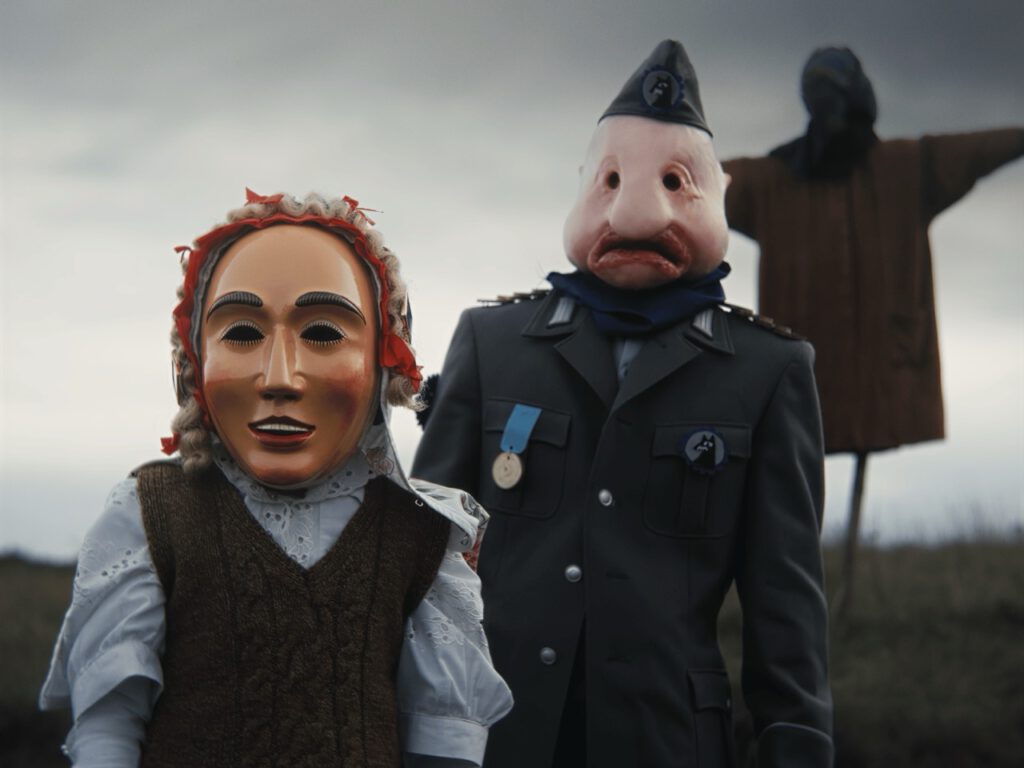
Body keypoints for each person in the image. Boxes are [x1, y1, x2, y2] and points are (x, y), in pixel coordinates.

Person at [413, 41, 832, 768]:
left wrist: (798, 749)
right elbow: (422, 561)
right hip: (498, 738)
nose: (638, 213)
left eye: (676, 182)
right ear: (586, 186)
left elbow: (785, 603)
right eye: (612, 181)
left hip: (667, 740)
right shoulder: (493, 343)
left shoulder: (768, 371)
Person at [40, 190, 512, 767]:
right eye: (242, 333)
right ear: (194, 359)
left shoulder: (420, 533)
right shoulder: (152, 517)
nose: (279, 377)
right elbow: (108, 731)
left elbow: (444, 742)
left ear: (383, 360)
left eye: (323, 333)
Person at [723, 46, 1024, 456]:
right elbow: (694, 180)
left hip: (872, 381)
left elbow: (695, 180)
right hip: (829, 383)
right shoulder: (776, 182)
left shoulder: (901, 169)